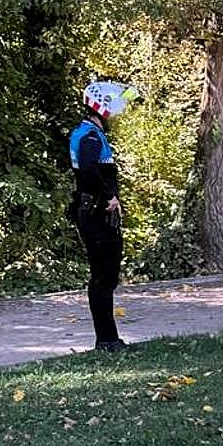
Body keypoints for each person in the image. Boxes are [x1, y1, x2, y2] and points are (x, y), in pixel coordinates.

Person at [70, 81, 139, 352]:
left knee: (107, 276)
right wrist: (108, 196)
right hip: (95, 214)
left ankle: (110, 337)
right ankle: (106, 339)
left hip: (97, 213)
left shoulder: (92, 133)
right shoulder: (88, 135)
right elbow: (88, 170)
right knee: (102, 277)